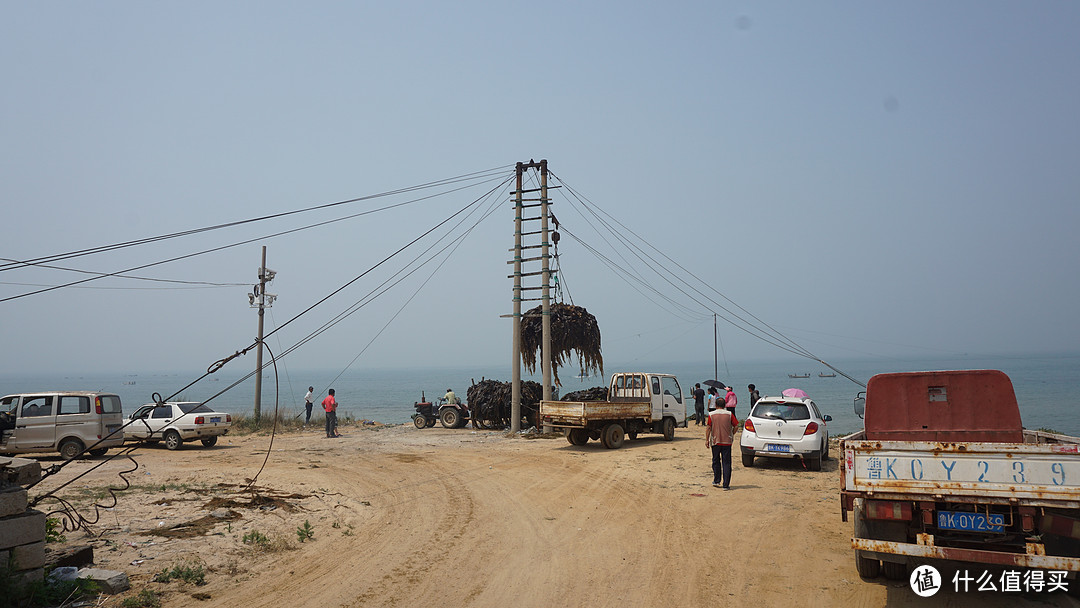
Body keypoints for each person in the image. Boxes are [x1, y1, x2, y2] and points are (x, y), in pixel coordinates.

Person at [706, 403, 739, 489]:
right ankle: (726, 484)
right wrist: (731, 433)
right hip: (727, 441)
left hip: (715, 441)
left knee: (716, 461)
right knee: (727, 463)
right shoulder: (729, 414)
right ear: (724, 405)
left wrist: (707, 440)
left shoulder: (711, 414)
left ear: (716, 405)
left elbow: (708, 427)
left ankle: (717, 480)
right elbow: (736, 426)